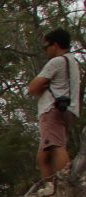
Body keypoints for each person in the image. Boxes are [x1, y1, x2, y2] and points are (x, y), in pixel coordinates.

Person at [28, 28, 81, 178]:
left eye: (46, 47)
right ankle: (49, 189)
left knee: (57, 147)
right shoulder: (72, 62)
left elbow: (32, 88)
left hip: (52, 110)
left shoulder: (57, 62)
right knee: (43, 157)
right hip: (68, 110)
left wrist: (41, 87)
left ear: (55, 45)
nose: (46, 50)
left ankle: (64, 185)